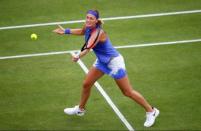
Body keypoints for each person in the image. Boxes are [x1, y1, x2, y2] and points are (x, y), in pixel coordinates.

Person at [53, 10, 159, 127]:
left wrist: (78, 56)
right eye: (87, 17)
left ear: (96, 20)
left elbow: (88, 48)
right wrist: (65, 31)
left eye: (91, 18)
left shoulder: (99, 33)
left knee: (127, 92)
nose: (88, 20)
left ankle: (151, 111)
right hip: (102, 62)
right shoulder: (87, 26)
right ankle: (80, 109)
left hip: (114, 63)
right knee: (86, 84)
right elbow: (82, 31)